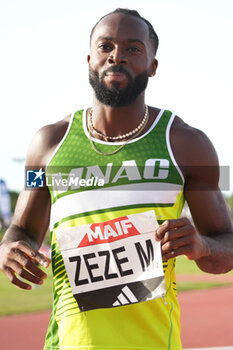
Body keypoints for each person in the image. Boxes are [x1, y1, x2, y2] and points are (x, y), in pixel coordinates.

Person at [0, 8, 233, 350]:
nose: (117, 56)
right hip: (66, 344)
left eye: (133, 49)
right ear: (90, 58)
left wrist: (201, 246)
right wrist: (8, 247)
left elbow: (226, 244)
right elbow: (22, 228)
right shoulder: (46, 146)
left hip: (153, 343)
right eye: (106, 46)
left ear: (153, 65)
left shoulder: (187, 145)